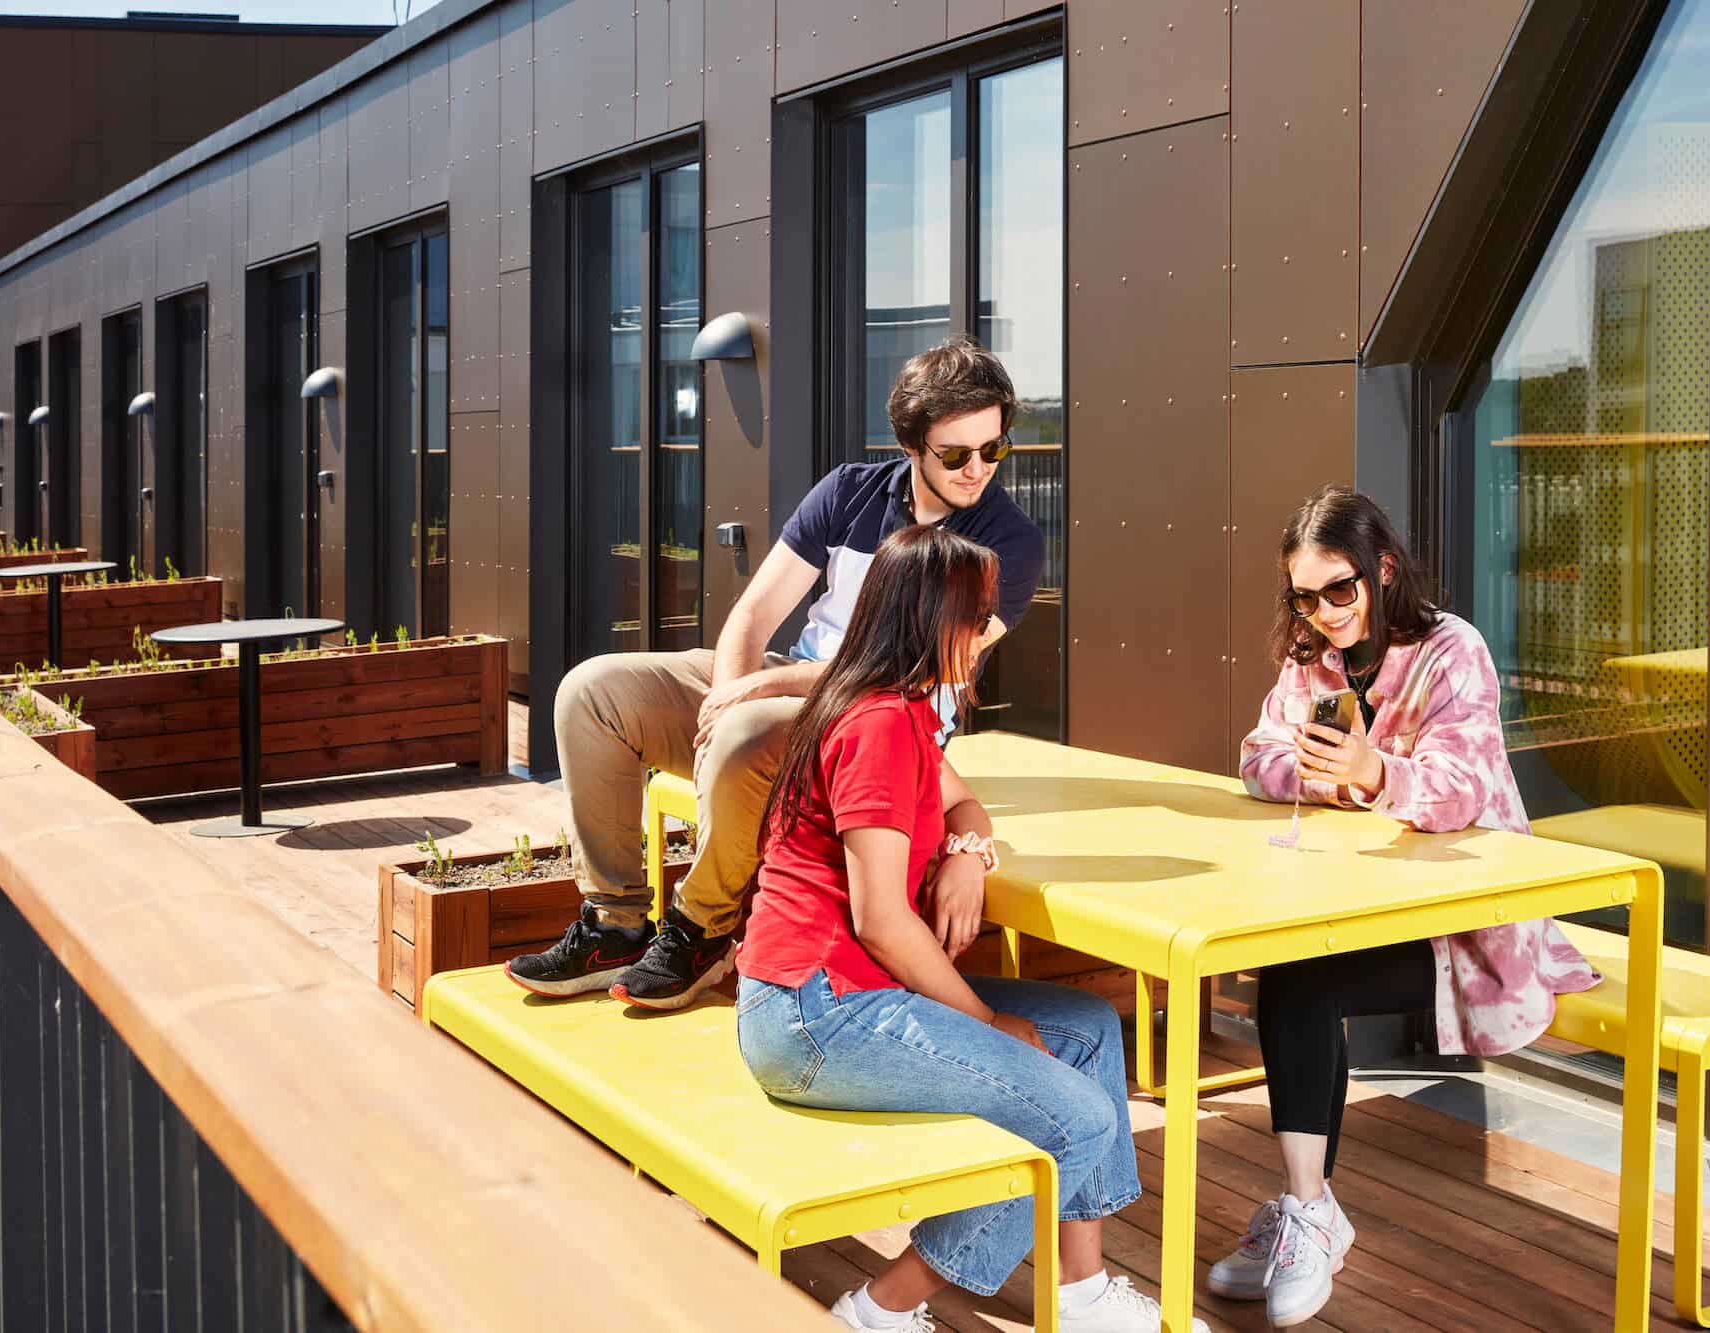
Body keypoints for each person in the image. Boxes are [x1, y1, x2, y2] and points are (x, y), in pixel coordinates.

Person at [734, 524, 1203, 1333]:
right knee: (1075, 1116)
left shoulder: (907, 709)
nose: (991, 631)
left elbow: (962, 801)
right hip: (813, 1013)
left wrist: (966, 851)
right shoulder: (876, 724)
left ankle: (1083, 1296)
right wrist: (985, 1021)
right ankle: (877, 1310)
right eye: (978, 614)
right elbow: (881, 916)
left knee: (1089, 1030)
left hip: (846, 991)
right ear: (928, 620)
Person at [506, 337, 1045, 1007]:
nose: (977, 470)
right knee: (592, 694)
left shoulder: (1007, 543)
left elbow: (902, 672)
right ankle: (614, 922)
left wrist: (756, 694)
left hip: (881, 717)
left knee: (748, 728)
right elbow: (754, 615)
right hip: (795, 681)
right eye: (957, 453)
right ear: (911, 445)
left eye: (994, 450)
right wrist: (732, 694)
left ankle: (702, 928)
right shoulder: (849, 492)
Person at [1215, 485, 1599, 1327]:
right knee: (1292, 962)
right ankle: (1309, 1208)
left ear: (1383, 570)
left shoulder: (1452, 651)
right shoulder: (1311, 655)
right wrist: (1339, 776)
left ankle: (1309, 1213)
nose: (1321, 613)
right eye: (1303, 596)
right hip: (1369, 901)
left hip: (1471, 924)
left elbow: (1462, 789)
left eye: (1340, 590)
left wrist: (1373, 773)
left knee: (1302, 977)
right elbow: (1256, 758)